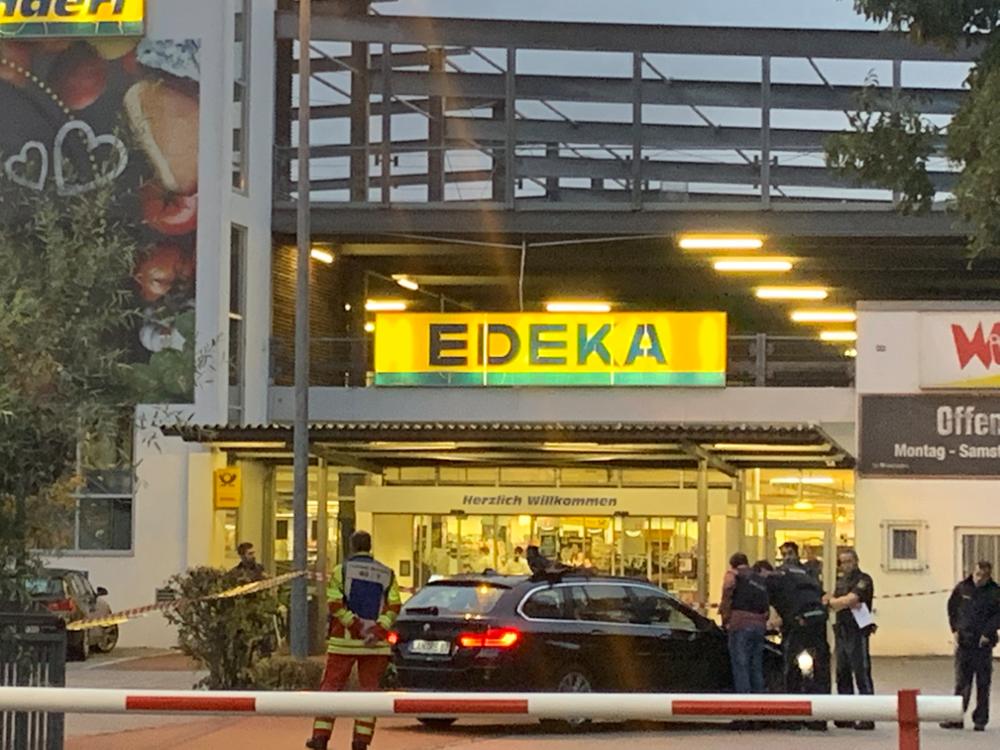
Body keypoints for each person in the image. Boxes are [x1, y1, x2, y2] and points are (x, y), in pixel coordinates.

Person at [306, 531, 402, 750]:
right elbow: (394, 606)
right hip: (375, 646)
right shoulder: (387, 573)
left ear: (351, 546)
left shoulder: (341, 571)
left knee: (331, 688)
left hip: (344, 643)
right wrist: (377, 630)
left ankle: (320, 738)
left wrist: (356, 626)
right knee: (369, 692)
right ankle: (361, 742)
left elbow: (335, 604)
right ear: (370, 546)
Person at [767, 541, 831, 730]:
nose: (787, 557)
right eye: (784, 554)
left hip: (798, 626)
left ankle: (793, 717)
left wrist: (772, 621)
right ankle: (820, 718)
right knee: (820, 670)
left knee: (792, 670)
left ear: (796, 554)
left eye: (789, 553)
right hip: (817, 623)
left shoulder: (778, 574)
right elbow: (822, 596)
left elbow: (767, 600)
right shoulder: (808, 574)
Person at [940, 560, 1000, 732]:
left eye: (984, 576)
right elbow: (952, 608)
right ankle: (956, 718)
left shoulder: (995, 592)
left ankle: (980, 720)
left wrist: (988, 632)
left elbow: (998, 616)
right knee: (962, 682)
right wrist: (955, 629)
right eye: (978, 574)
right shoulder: (962, 588)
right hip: (964, 642)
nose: (980, 579)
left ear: (989, 576)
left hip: (983, 643)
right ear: (973, 572)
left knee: (983, 683)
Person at [825, 548, 876, 731]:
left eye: (849, 561)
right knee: (842, 673)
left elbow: (850, 599)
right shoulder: (841, 581)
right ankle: (845, 715)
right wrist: (837, 602)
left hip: (857, 631)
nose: (845, 565)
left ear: (856, 561)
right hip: (842, 630)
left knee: (861, 673)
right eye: (843, 562)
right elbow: (833, 600)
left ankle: (868, 717)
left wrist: (836, 602)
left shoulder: (864, 580)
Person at [720, 552, 769, 695]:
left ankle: (744, 699)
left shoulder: (733, 575)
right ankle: (758, 700)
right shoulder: (759, 579)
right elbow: (766, 606)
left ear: (733, 564)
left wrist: (725, 619)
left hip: (740, 623)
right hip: (759, 625)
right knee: (756, 665)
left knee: (740, 664)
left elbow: (727, 593)